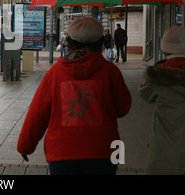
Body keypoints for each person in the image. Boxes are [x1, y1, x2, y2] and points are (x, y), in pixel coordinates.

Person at [17, 17, 132, 175]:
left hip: (62, 152)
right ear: (100, 41)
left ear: (69, 42)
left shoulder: (55, 73)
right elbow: (123, 108)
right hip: (105, 151)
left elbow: (38, 113)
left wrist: (26, 145)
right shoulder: (111, 72)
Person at [139, 25, 185, 175]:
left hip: (163, 157)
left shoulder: (158, 77)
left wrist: (156, 70)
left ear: (165, 50)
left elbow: (144, 94)